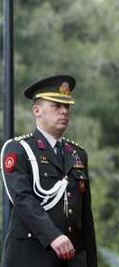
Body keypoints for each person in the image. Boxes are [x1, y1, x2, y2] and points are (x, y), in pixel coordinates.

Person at [1, 75, 97, 267]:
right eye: (56, 106)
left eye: (67, 107)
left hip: (73, 258)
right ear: (37, 111)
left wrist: (91, 261)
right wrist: (53, 236)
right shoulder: (18, 149)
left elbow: (85, 216)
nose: (64, 112)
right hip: (32, 255)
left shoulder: (77, 154)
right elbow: (22, 199)